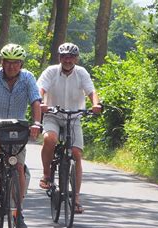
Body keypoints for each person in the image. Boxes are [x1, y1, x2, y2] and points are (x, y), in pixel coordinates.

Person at [0, 44, 42, 228]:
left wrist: (37, 123)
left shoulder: (28, 78)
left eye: (16, 63)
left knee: (19, 167)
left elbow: (36, 101)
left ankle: (18, 212)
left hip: (16, 126)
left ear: (21, 64)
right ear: (2, 62)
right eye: (8, 62)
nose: (11, 67)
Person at [37, 42, 101, 214]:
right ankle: (46, 175)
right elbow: (40, 89)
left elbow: (91, 91)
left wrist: (96, 105)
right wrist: (42, 103)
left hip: (73, 117)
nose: (67, 60)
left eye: (71, 57)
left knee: (77, 153)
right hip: (53, 115)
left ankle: (77, 198)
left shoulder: (82, 73)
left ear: (76, 58)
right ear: (59, 58)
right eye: (64, 56)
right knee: (50, 139)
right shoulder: (51, 72)